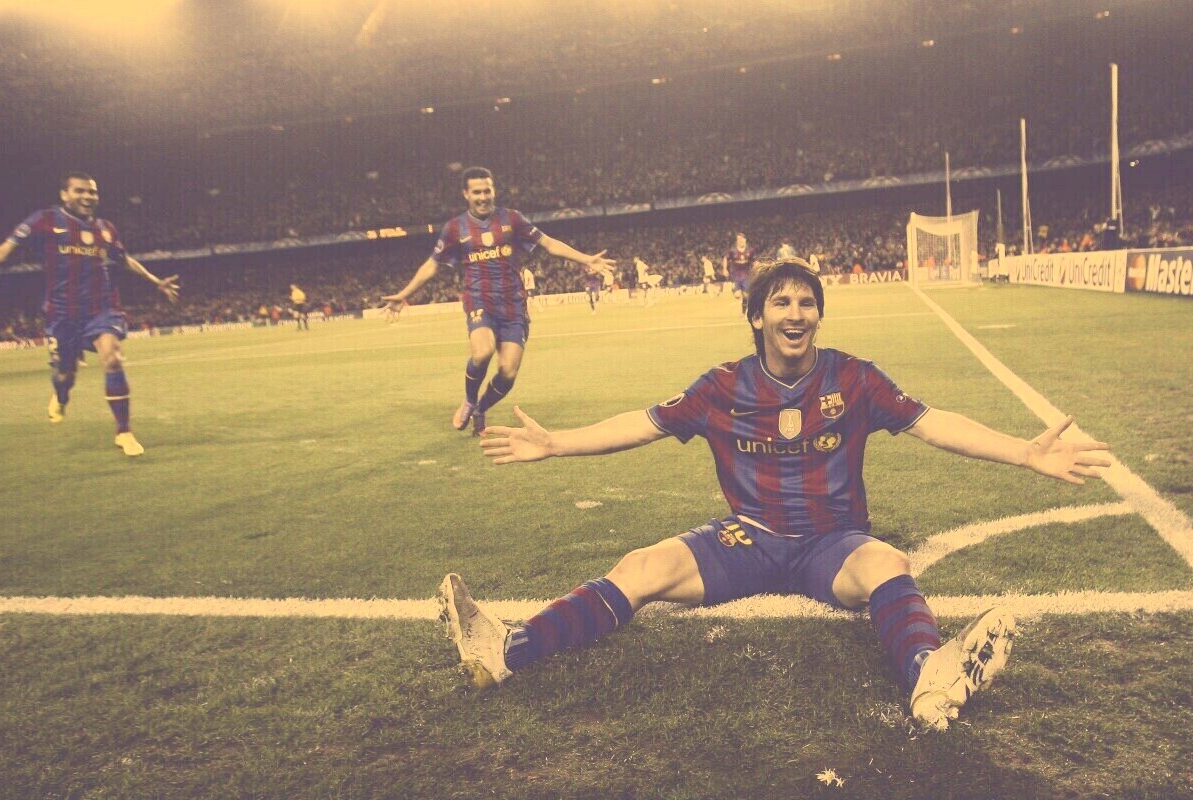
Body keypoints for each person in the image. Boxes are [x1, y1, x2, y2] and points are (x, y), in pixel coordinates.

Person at [442, 257, 1111, 731]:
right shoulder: (721, 386)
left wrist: (1025, 451)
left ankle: (929, 677)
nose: (796, 314)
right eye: (782, 302)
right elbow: (643, 424)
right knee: (641, 567)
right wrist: (558, 443)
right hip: (749, 539)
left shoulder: (853, 377)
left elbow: (935, 424)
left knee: (888, 563)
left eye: (807, 302)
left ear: (818, 314)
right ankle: (507, 652)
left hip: (833, 545)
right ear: (757, 315)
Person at [0, 171, 179, 456]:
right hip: (62, 314)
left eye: (92, 191)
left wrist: (155, 281)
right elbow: (2, 253)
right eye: (80, 191)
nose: (87, 196)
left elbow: (123, 259)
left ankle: (124, 432)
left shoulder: (106, 229)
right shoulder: (44, 221)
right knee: (65, 374)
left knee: (113, 358)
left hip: (102, 308)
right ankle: (62, 396)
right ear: (64, 194)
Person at [382, 167, 615, 435]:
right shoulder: (455, 228)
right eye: (477, 192)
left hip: (514, 305)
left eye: (487, 191)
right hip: (479, 300)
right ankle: (469, 400)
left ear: (493, 190)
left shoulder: (512, 218)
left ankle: (481, 408)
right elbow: (433, 264)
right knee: (482, 352)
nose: (483, 197)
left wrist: (586, 259)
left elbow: (549, 243)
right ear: (466, 194)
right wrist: (404, 294)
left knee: (508, 372)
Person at [723, 232, 756, 314]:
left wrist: (757, 268)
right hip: (735, 275)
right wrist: (725, 269)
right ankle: (734, 289)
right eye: (738, 239)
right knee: (737, 295)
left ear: (745, 240)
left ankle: (744, 312)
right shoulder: (732, 250)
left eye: (742, 239)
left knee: (746, 295)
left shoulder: (750, 250)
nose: (740, 241)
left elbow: (754, 261)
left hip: (746, 275)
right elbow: (725, 258)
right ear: (737, 241)